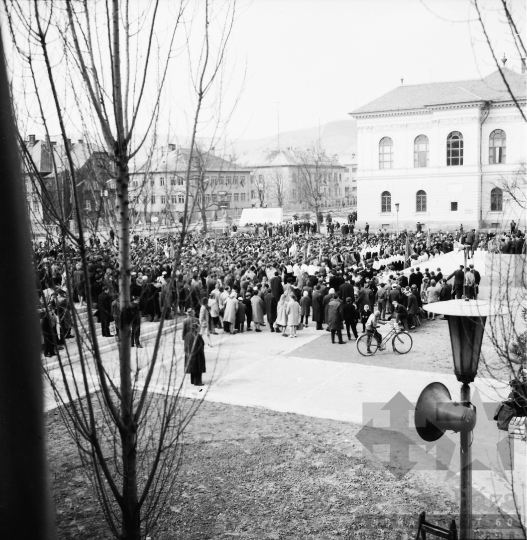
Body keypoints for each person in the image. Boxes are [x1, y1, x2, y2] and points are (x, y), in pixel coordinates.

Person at [184, 320, 206, 386]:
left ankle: (193, 381)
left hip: (189, 354)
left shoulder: (187, 335)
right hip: (197, 355)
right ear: (196, 328)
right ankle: (197, 382)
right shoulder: (197, 336)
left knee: (193, 368)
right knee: (197, 368)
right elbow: (201, 344)